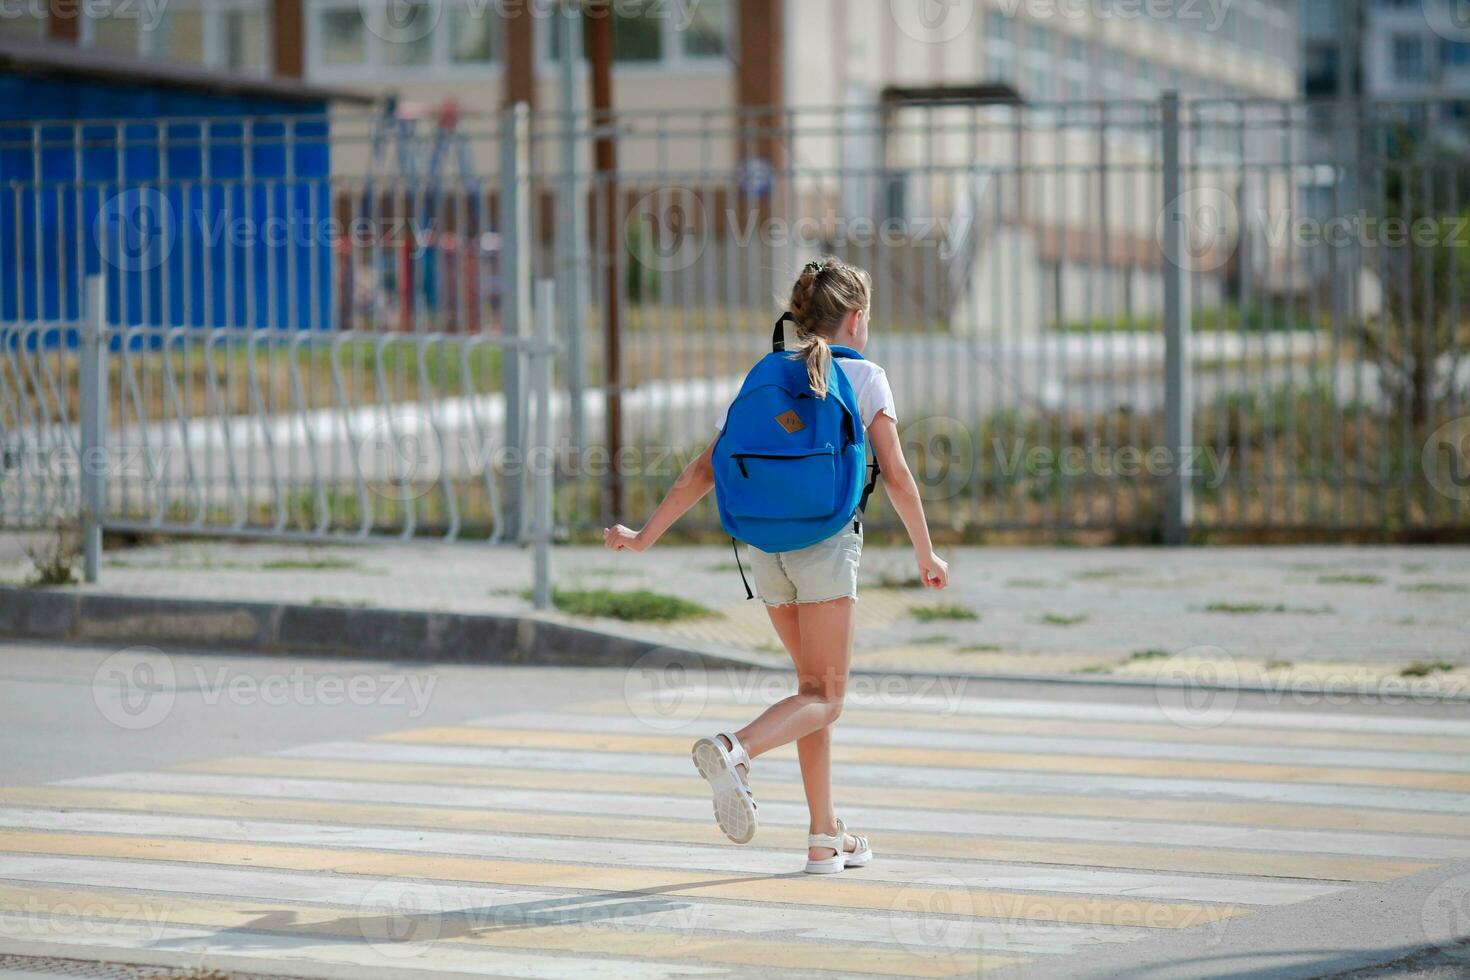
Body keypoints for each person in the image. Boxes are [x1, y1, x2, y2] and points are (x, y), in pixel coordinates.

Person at [604, 256, 948, 873]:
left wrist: (644, 536)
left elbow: (702, 471)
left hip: (765, 552)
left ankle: (824, 837)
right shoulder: (866, 376)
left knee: (810, 691)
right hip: (825, 547)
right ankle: (734, 748)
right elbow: (897, 475)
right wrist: (927, 552)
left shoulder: (765, 374)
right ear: (856, 318)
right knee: (827, 697)